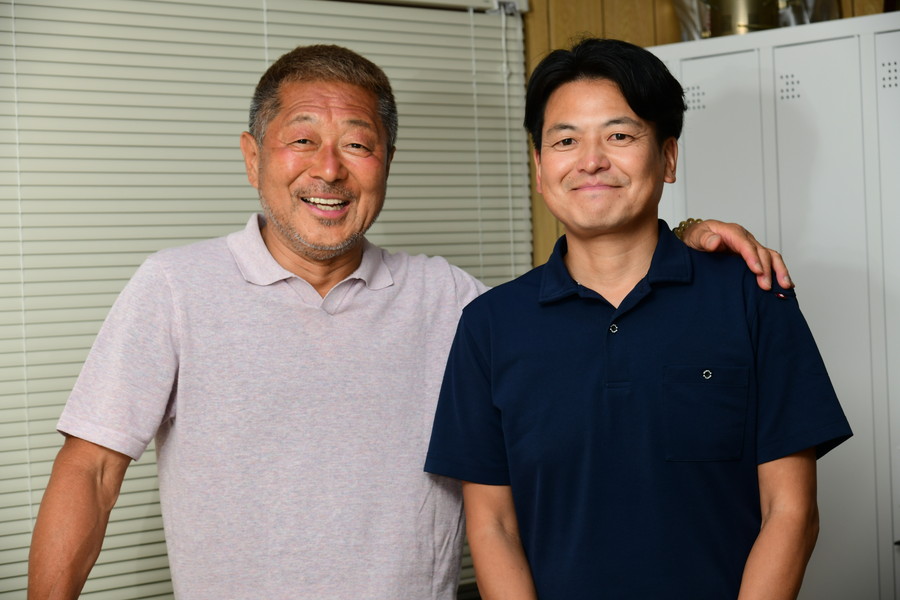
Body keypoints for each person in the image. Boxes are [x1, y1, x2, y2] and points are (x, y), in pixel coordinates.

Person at [28, 43, 790, 600]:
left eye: (358, 145)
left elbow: (591, 310)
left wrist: (687, 235)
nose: (329, 168)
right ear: (253, 156)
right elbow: (90, 473)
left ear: (386, 161)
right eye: (302, 139)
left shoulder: (452, 301)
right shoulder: (175, 287)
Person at [424, 38, 852, 600]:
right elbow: (493, 527)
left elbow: (791, 511)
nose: (590, 160)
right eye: (565, 140)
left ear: (668, 158)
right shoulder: (488, 326)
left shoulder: (752, 296)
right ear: (539, 167)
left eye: (619, 136)